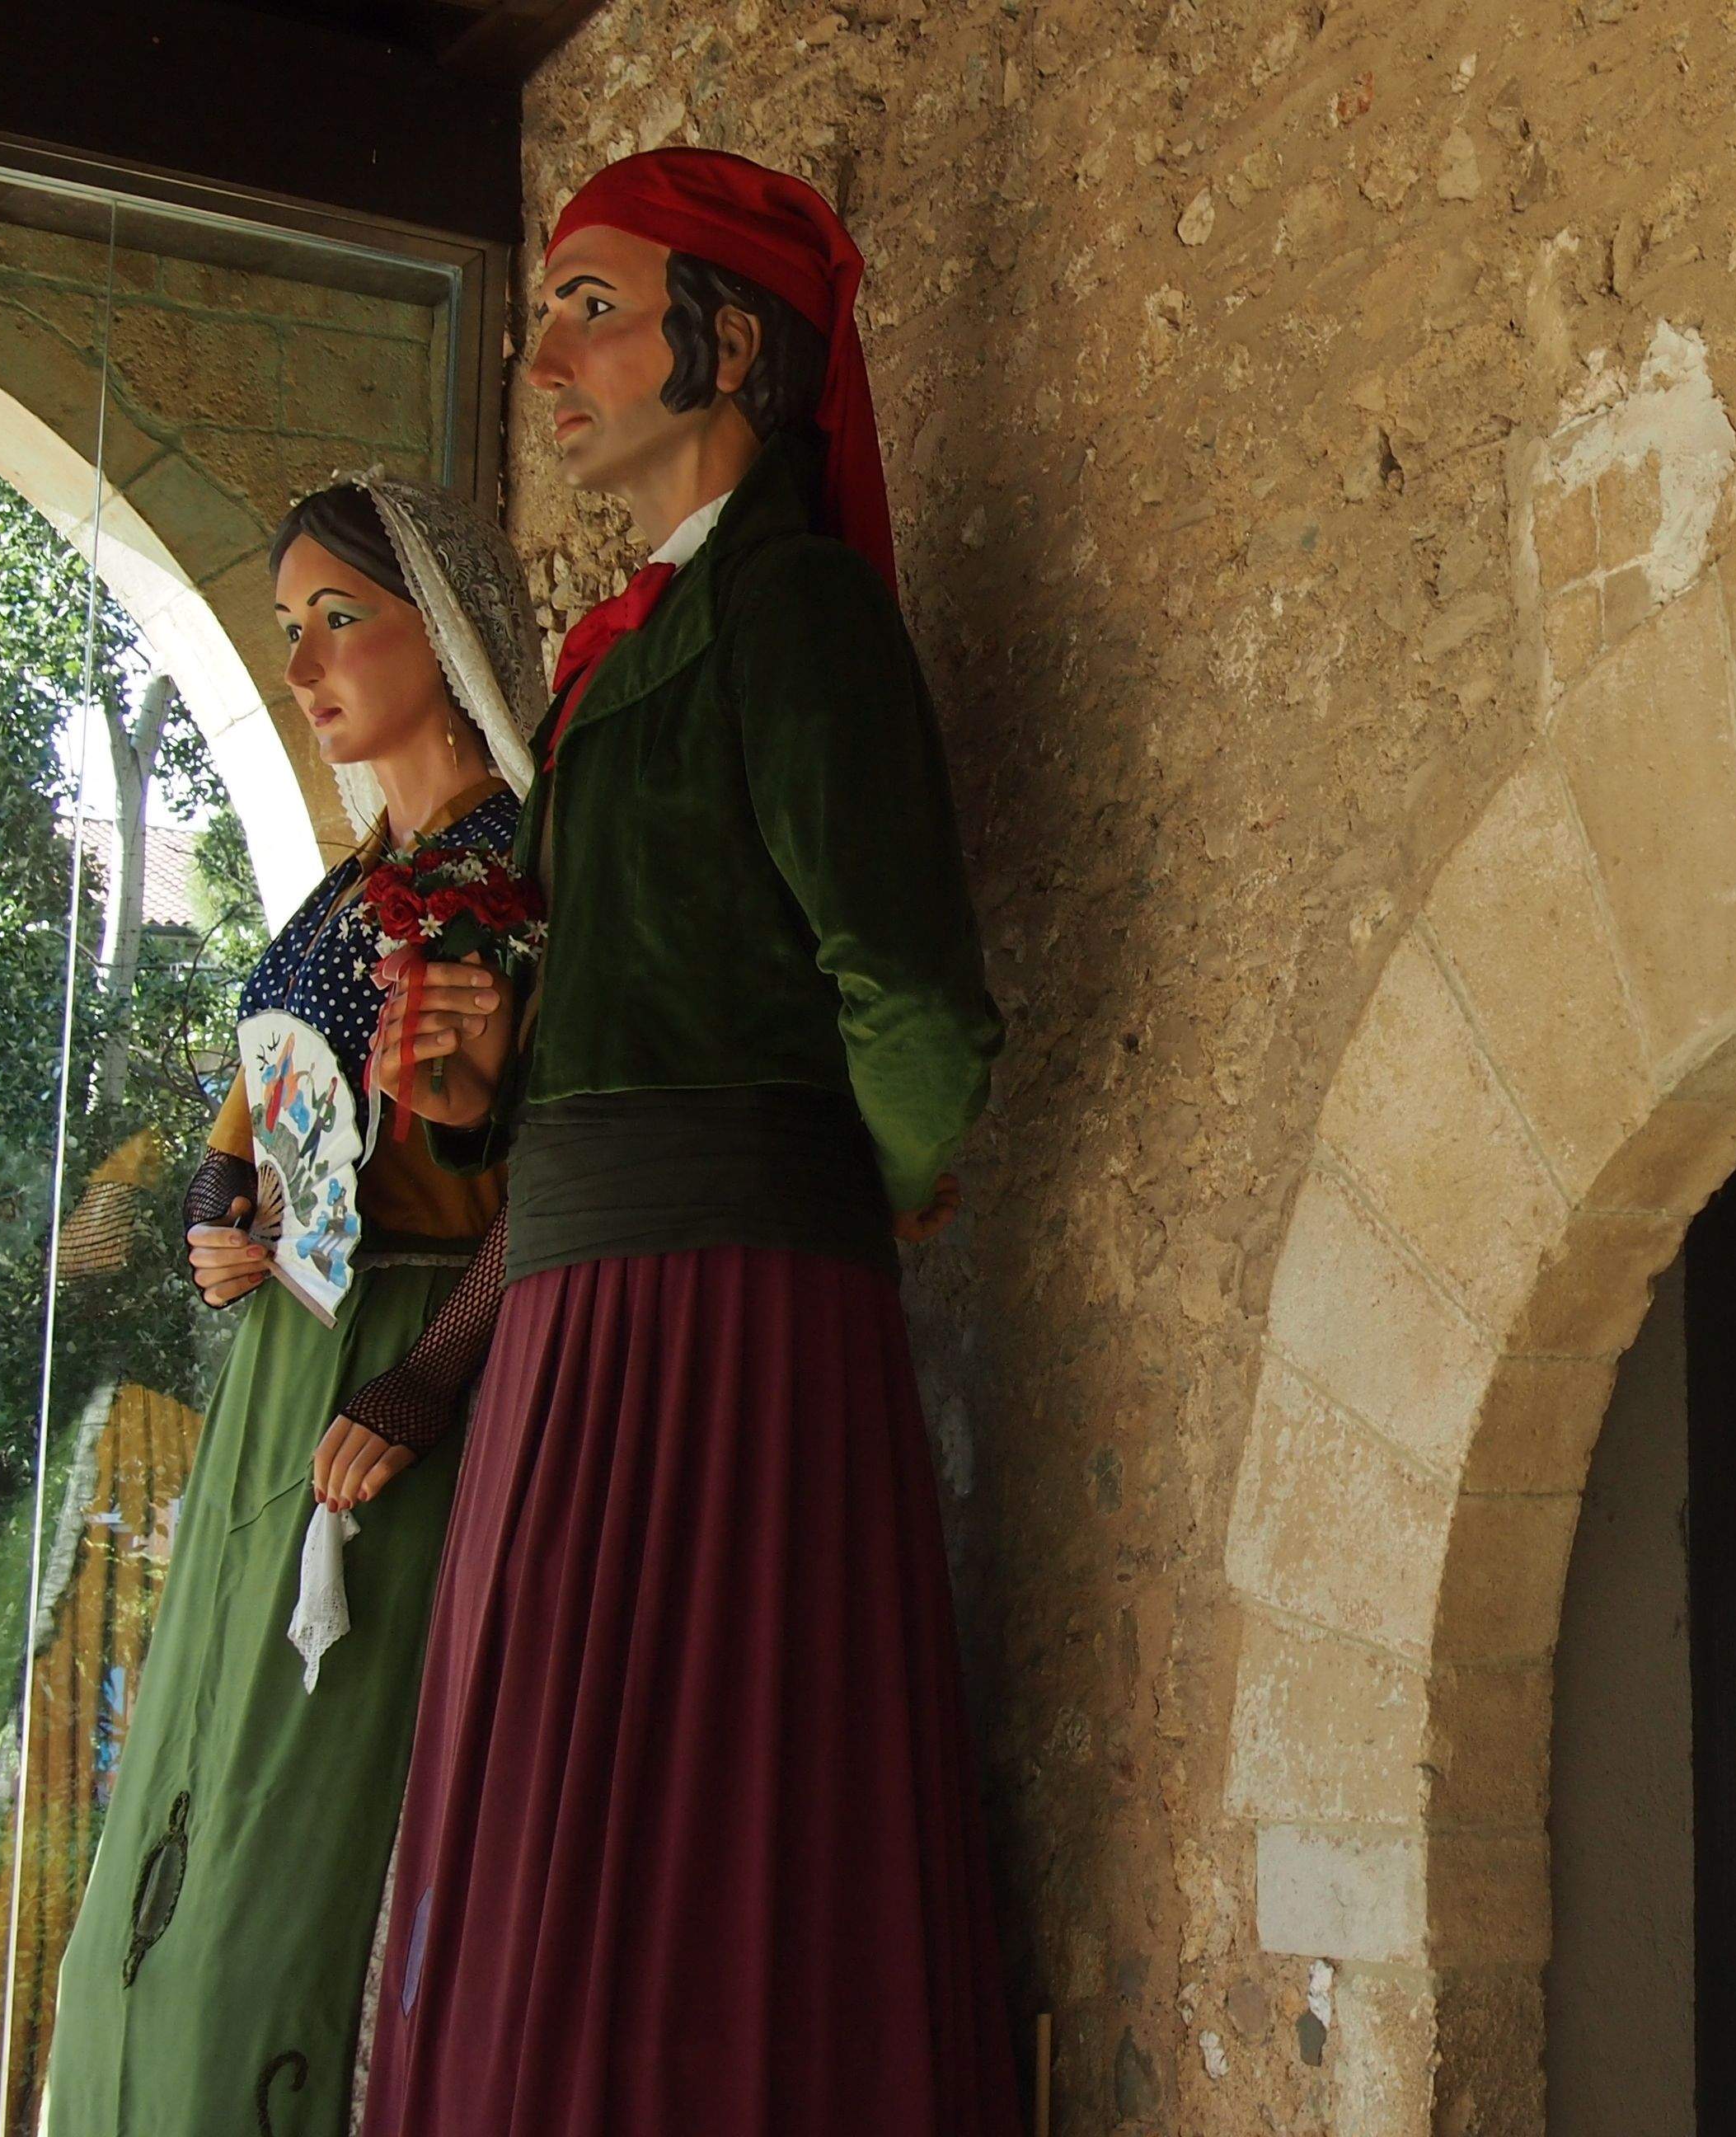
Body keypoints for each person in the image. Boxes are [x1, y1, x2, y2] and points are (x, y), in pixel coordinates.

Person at [359, 146, 1014, 2136]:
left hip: (731, 1321)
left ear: (731, 346)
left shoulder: (796, 616)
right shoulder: (621, 656)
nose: (551, 359)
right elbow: (650, 997)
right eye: (543, 307)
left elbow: (907, 994)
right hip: (584, 1305)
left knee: (698, 1833)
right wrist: (491, 1085)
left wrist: (862, 1193)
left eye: (592, 307)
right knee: (558, 1817)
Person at [45, 474, 539, 2135]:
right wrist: (219, 1221)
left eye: (347, 619)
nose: (311, 666)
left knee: (313, 1789)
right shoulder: (355, 882)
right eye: (290, 633)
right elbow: (246, 1127)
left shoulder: (524, 872)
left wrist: (434, 1371)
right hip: (290, 1352)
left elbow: (553, 1162)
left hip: (401, 1367)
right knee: (202, 1772)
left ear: (445, 629)